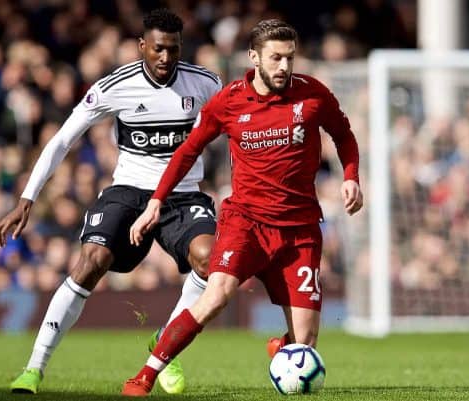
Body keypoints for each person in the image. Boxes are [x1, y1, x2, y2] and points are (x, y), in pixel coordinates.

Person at [121, 19, 363, 396]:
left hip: (299, 229)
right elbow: (188, 150)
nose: (284, 67)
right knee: (216, 295)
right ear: (254, 57)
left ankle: (284, 347)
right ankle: (147, 374)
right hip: (246, 222)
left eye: (290, 58)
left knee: (306, 344)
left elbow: (344, 135)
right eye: (276, 58)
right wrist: (156, 201)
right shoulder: (230, 101)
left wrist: (351, 176)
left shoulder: (312, 94)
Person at [0, 9, 222, 395]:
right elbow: (62, 139)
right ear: (142, 47)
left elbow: (242, 123)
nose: (166, 58)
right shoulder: (116, 86)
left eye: (173, 50)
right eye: (158, 50)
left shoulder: (206, 84)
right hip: (129, 191)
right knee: (91, 262)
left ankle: (166, 339)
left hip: (183, 195)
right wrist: (27, 198)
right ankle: (34, 368)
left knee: (211, 259)